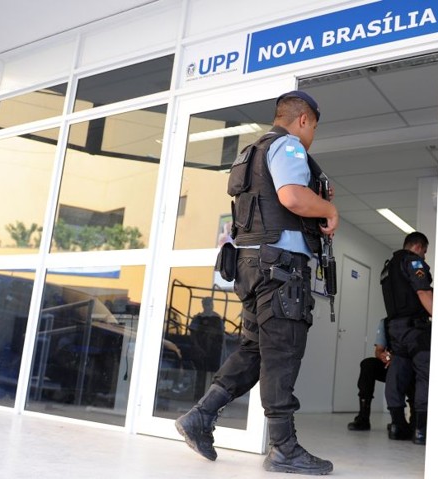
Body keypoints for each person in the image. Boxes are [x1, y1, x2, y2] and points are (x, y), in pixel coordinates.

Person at [175, 90, 338, 475]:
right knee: (282, 353)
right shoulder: (289, 147)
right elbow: (293, 197)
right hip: (280, 269)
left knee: (256, 350)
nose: (311, 134)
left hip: (252, 266)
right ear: (303, 120)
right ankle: (284, 448)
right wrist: (329, 209)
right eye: (313, 126)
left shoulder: (251, 153)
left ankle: (200, 416)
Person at [381, 231, 433, 445]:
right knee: (425, 373)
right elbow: (423, 293)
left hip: (395, 329)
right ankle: (421, 431)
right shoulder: (413, 262)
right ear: (419, 247)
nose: (424, 257)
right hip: (415, 329)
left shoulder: (388, 266)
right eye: (425, 252)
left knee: (397, 373)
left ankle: (397, 426)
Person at [347, 318, 390, 431]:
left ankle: (409, 421)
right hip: (389, 364)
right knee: (368, 364)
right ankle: (363, 418)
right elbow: (378, 350)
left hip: (407, 364)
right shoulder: (385, 322)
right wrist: (383, 356)